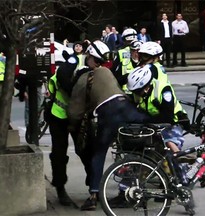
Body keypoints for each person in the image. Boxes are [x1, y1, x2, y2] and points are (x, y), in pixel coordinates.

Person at [67, 40, 150, 211]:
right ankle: (142, 187)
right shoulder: (108, 72)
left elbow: (74, 112)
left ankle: (93, 195)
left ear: (90, 58)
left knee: (99, 152)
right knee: (134, 148)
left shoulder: (84, 78)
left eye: (88, 57)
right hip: (127, 107)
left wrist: (73, 125)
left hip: (109, 114)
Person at [108, 65, 193, 210]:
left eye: (138, 91)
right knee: (138, 157)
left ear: (146, 87)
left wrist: (144, 120)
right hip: (152, 126)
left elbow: (166, 116)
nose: (136, 94)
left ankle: (186, 196)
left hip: (171, 124)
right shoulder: (138, 91)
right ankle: (125, 193)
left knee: (172, 154)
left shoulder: (163, 90)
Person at [47, 55, 80, 206]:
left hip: (77, 117)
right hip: (58, 116)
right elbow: (63, 88)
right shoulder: (59, 75)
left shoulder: (83, 73)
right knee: (59, 154)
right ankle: (60, 187)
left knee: (85, 150)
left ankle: (94, 188)